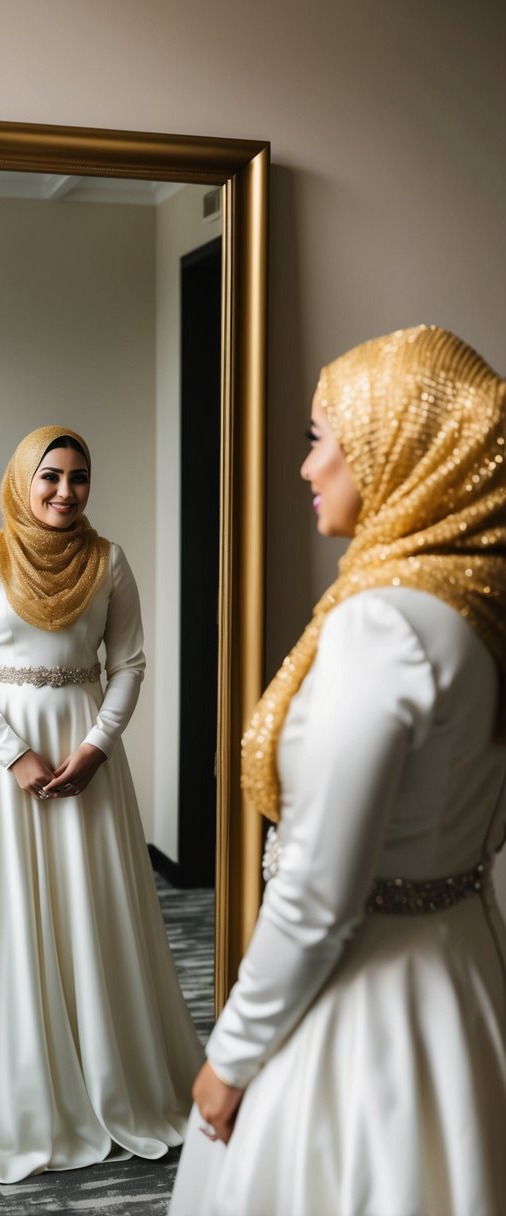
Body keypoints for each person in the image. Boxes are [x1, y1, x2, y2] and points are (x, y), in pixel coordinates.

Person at [170, 325, 506, 1215]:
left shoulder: (384, 625)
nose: (306, 468)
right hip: (462, 979)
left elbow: (320, 890)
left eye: (321, 439)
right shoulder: (480, 616)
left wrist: (229, 1057)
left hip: (361, 1003)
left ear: (393, 442)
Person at [0, 424, 203, 1182]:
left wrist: (94, 747)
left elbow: (127, 663)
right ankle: (9, 1084)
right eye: (51, 477)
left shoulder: (109, 561)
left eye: (80, 477)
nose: (66, 491)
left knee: (88, 907)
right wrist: (16, 756)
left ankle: (100, 1076)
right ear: (23, 481)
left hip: (86, 753)